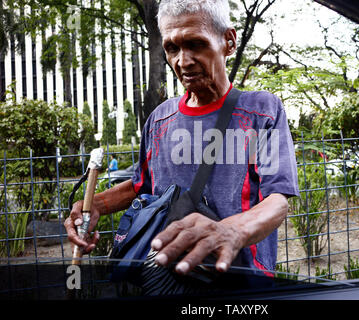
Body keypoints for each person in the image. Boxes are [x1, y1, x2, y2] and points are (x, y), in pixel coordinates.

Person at [65, 0, 299, 288]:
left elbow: (277, 201)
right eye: (172, 48)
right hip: (165, 280)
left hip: (239, 280)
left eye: (196, 44)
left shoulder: (261, 112)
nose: (183, 61)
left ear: (228, 41)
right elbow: (143, 184)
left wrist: (230, 231)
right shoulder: (160, 119)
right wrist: (94, 205)